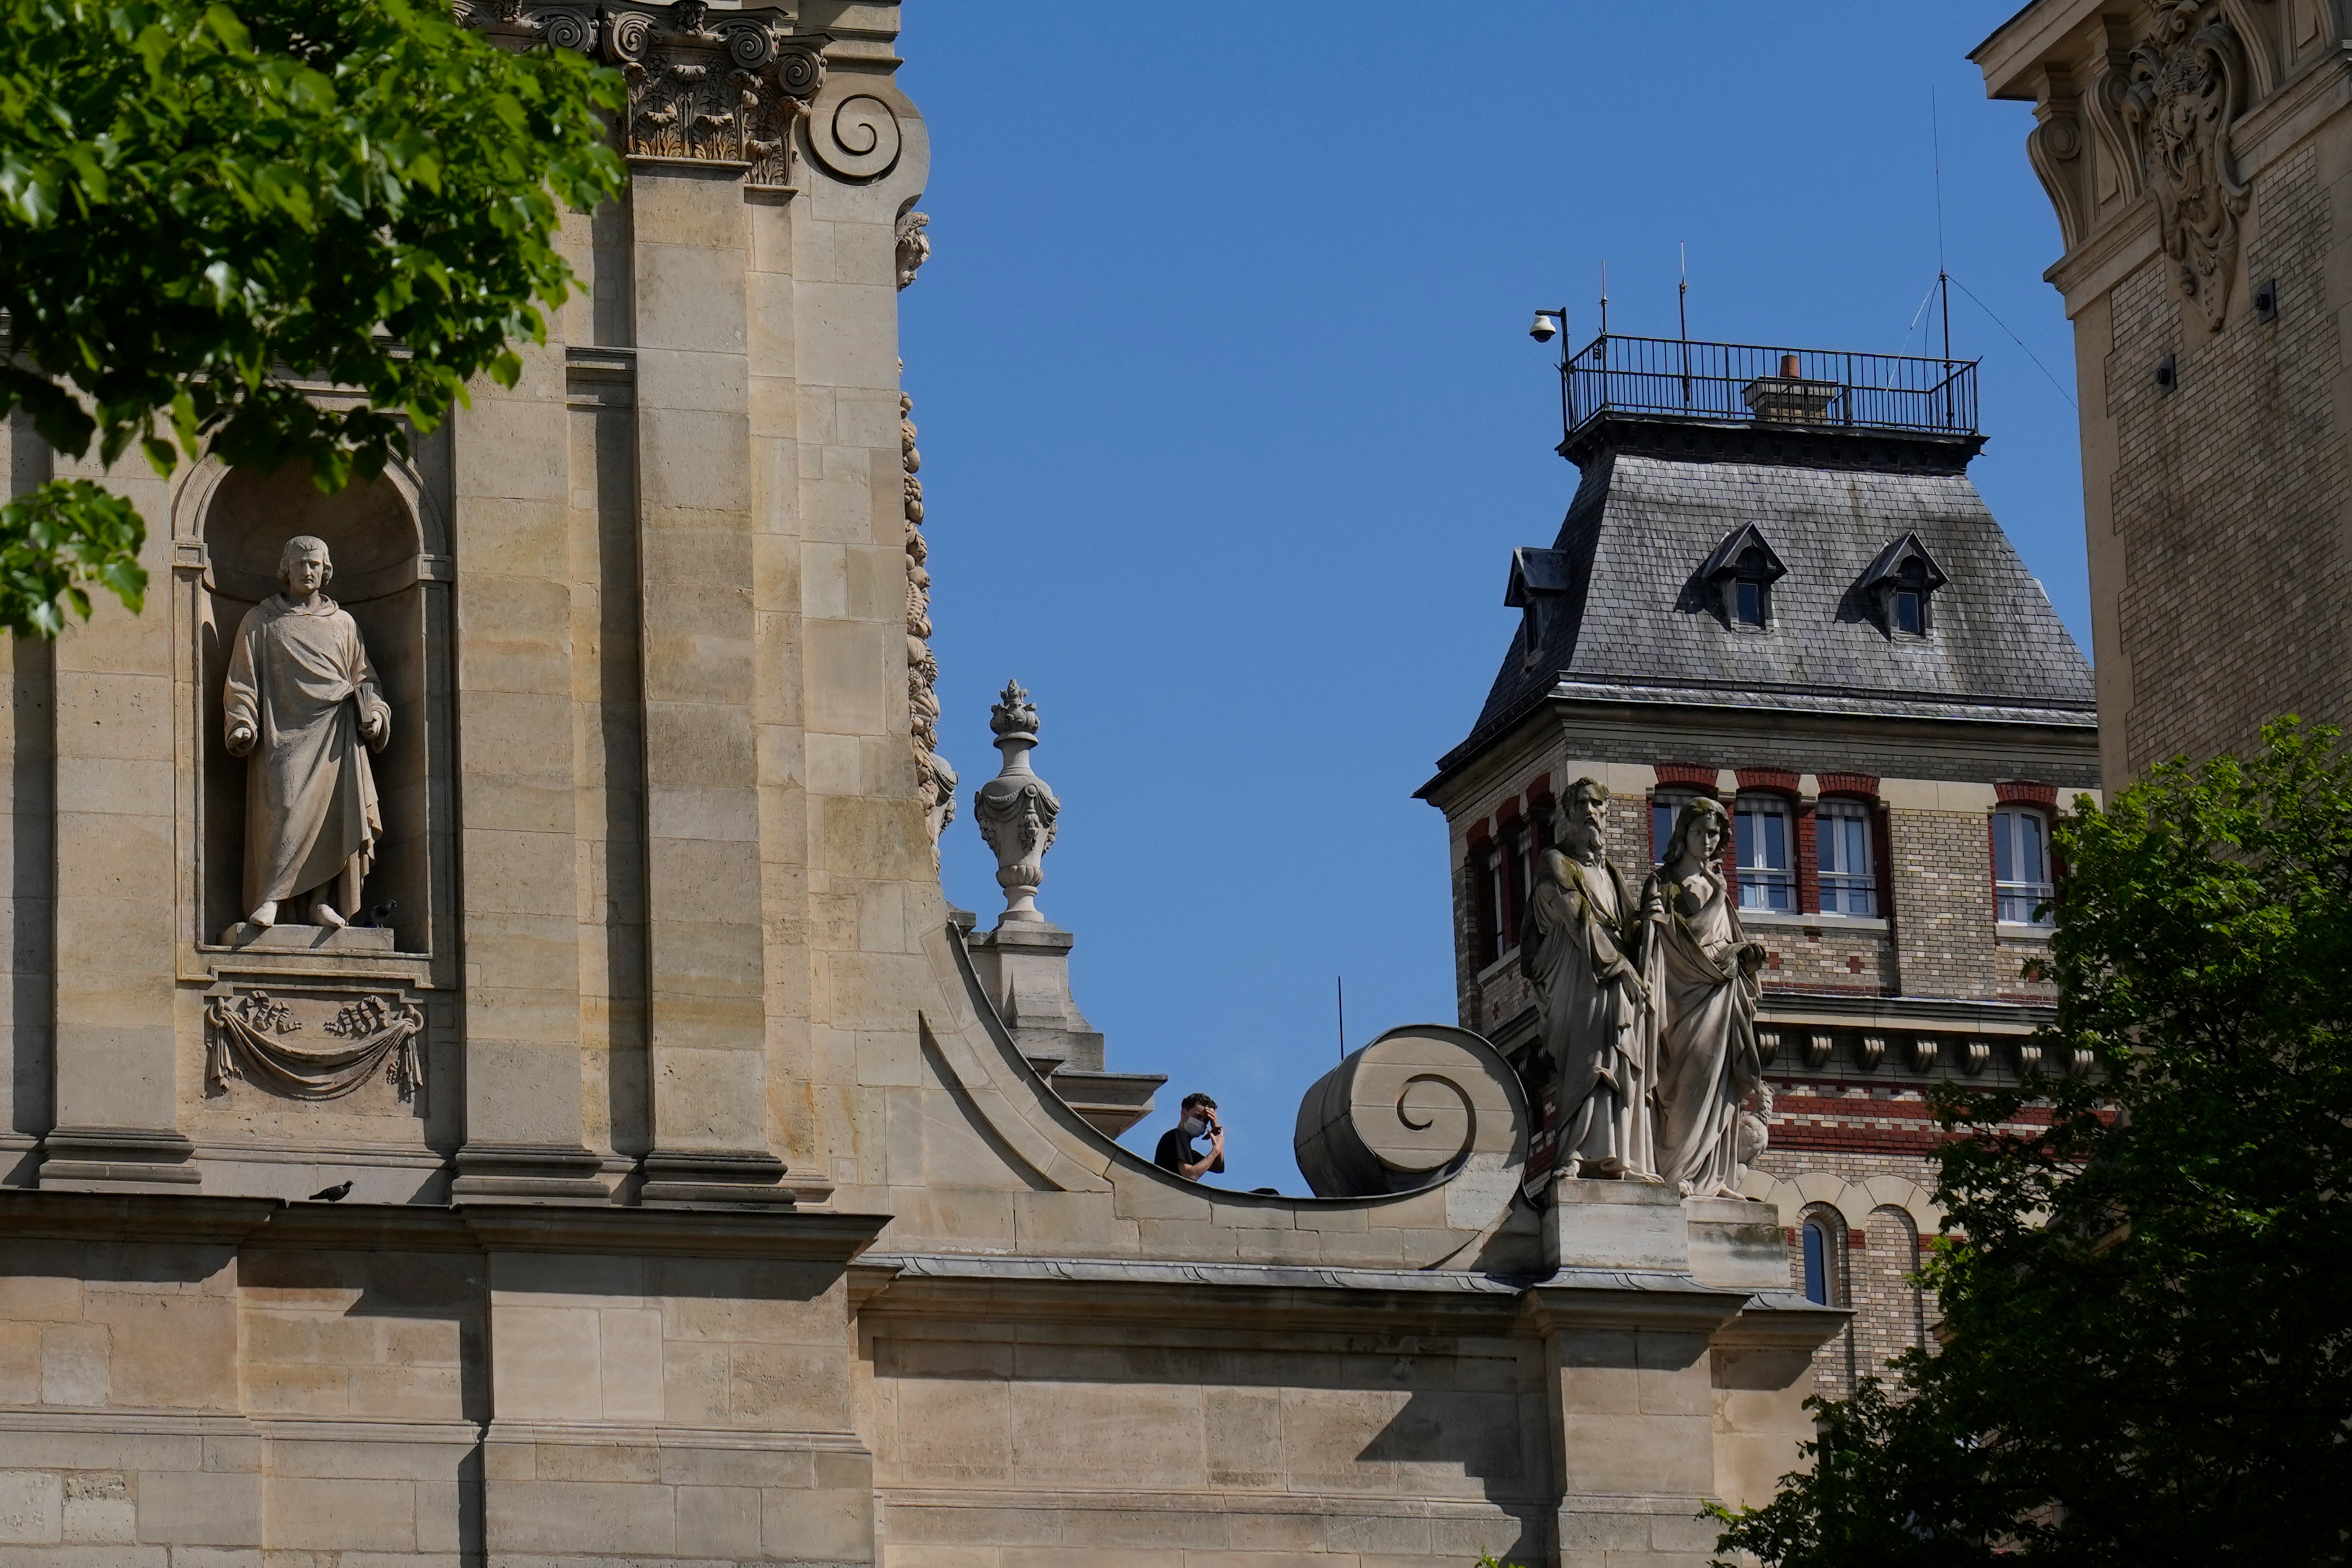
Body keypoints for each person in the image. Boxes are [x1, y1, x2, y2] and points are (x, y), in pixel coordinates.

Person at [223, 535, 391, 931]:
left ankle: (321, 901)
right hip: (281, 737)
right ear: (286, 569)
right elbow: (243, 679)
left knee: (332, 817)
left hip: (336, 732)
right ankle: (271, 897)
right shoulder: (261, 621)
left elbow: (365, 679)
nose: (307, 571)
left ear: (326, 570)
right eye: (299, 563)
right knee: (283, 808)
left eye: (314, 564)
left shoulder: (343, 623)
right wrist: (242, 720)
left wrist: (376, 714)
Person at [1519, 779, 1657, 1181]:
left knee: (1618, 1062)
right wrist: (1620, 966)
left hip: (1614, 981)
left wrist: (1652, 919)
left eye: (1598, 806)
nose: (1591, 813)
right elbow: (1577, 918)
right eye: (1582, 805)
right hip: (1581, 978)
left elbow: (1626, 924)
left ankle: (1621, 1156)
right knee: (1588, 1063)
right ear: (1569, 814)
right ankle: (1575, 1153)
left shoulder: (1609, 872)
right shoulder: (1556, 862)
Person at [1643, 796, 1769, 1197]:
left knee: (1720, 1085)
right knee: (1687, 1082)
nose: (1708, 841)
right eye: (1700, 832)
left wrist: (1745, 958)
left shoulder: (1717, 885)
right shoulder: (1664, 883)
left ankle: (1713, 1177)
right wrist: (1717, 896)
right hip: (1681, 996)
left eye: (1714, 834)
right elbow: (1684, 937)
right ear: (1684, 834)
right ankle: (1676, 1171)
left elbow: (1727, 940)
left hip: (1722, 994)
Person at [1153, 1093, 1225, 1181]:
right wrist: (1216, 1151)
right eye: (1198, 1116)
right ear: (1184, 1113)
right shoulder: (1177, 1135)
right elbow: (1190, 1175)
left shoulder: (1188, 1152)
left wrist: (1216, 1132)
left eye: (1206, 1120)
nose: (1202, 1122)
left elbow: (1218, 1167)